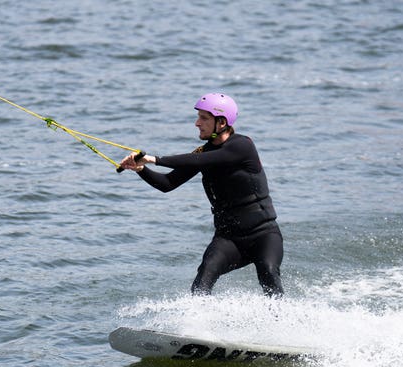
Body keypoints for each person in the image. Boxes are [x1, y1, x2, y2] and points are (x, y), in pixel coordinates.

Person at [120, 93, 284, 297]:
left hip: (263, 234)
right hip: (229, 238)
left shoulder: (242, 146)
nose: (197, 123)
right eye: (198, 118)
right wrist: (140, 169)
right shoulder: (202, 153)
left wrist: (153, 159)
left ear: (222, 122)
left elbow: (202, 161)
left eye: (204, 118)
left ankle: (280, 322)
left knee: (268, 273)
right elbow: (167, 184)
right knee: (203, 279)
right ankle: (198, 325)